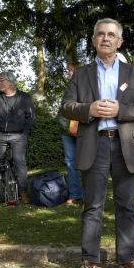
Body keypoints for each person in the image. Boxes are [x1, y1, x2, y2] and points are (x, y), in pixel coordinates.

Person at [60, 18, 134, 268]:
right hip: (95, 143)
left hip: (125, 144)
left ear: (119, 41)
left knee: (125, 205)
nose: (105, 38)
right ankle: (89, 260)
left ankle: (127, 260)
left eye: (111, 34)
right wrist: (87, 110)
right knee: (93, 206)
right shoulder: (81, 74)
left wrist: (122, 111)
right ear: (93, 41)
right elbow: (66, 106)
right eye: (100, 34)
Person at [0, 71, 35, 208]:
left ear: (10, 82)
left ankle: (23, 193)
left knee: (19, 161)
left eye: (1, 80)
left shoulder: (24, 97)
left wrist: (24, 133)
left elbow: (30, 117)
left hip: (18, 136)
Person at [56, 62, 85, 204]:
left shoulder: (88, 87)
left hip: (84, 130)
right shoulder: (68, 88)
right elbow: (63, 111)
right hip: (67, 131)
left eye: (70, 71)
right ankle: (75, 193)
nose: (68, 73)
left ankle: (89, 194)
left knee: (87, 162)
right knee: (70, 162)